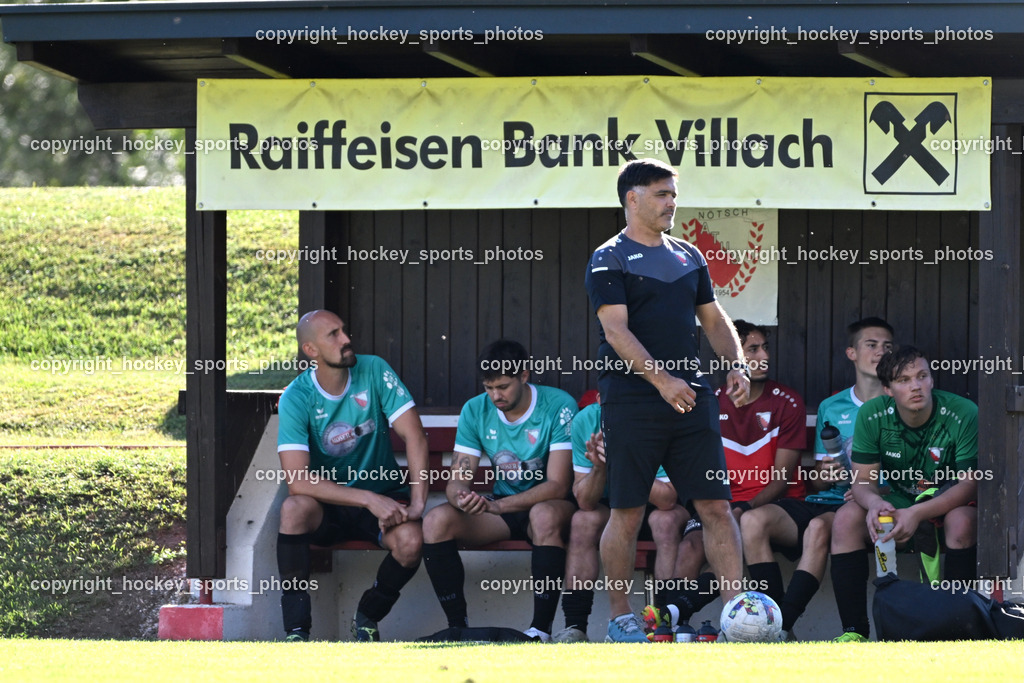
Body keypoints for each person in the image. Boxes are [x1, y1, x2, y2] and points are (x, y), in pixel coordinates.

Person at [585, 158, 751, 642]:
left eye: (673, 194)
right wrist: (662, 381)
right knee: (628, 511)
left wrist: (736, 365)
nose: (671, 203)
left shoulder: (689, 256)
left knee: (716, 507)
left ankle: (737, 615)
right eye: (661, 194)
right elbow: (616, 331)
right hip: (632, 400)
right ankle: (621, 618)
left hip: (691, 397)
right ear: (632, 199)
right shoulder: (608, 258)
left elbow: (714, 320)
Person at [275, 310, 429, 642]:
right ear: (311, 350)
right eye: (333, 334)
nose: (346, 339)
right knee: (293, 509)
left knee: (411, 541)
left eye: (344, 330)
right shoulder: (296, 397)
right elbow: (298, 481)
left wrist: (418, 504)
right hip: (329, 507)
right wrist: (368, 499)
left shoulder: (374, 369)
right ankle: (296, 631)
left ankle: (368, 616)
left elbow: (415, 437)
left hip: (384, 500)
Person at [737, 317, 894, 638]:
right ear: (851, 353)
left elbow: (911, 471)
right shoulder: (832, 406)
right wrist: (826, 473)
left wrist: (871, 490)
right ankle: (776, 626)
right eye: (871, 345)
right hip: (824, 500)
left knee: (821, 527)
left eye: (887, 346)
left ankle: (778, 628)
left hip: (864, 506)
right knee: (752, 521)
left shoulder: (899, 404)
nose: (880, 352)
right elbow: (820, 481)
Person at [421, 339, 578, 641]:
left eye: (503, 387)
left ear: (524, 375)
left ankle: (539, 631)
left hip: (551, 506)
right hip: (503, 508)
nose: (495, 396)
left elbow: (558, 486)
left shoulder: (559, 405)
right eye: (489, 387)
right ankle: (458, 628)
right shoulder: (475, 409)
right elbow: (457, 481)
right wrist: (462, 499)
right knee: (435, 521)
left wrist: (499, 506)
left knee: (543, 515)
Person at [829, 345, 978, 642]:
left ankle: (959, 629)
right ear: (887, 389)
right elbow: (862, 481)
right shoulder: (872, 414)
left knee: (962, 521)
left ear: (932, 380)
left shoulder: (963, 412)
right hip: (900, 499)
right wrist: (875, 503)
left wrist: (916, 513)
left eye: (922, 376)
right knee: (845, 519)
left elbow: (969, 484)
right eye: (904, 380)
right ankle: (854, 632)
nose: (916, 386)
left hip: (949, 501)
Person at [551, 399, 706, 642]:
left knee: (665, 521)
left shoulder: (661, 417)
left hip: (658, 506)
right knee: (583, 521)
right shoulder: (586, 420)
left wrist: (624, 461)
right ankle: (575, 626)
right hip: (614, 507)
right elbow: (585, 501)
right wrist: (600, 469)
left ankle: (664, 624)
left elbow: (667, 499)